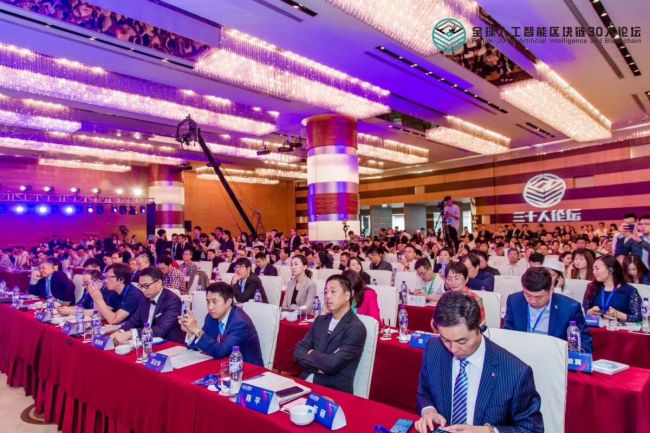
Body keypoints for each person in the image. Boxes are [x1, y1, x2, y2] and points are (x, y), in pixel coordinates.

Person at [415, 291, 543, 433]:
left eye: (462, 341)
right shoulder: (433, 348)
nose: (453, 349)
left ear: (480, 326)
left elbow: (531, 429)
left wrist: (489, 431)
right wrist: (429, 411)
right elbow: (424, 392)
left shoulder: (516, 372)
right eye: (445, 339)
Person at [294, 275, 367, 394]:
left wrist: (311, 353)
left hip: (333, 392)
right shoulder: (320, 321)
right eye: (326, 292)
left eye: (333, 292)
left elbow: (332, 364)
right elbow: (298, 352)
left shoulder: (356, 328)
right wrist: (320, 366)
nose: (327, 296)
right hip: (305, 383)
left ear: (347, 295)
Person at [504, 267, 592, 353]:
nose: (533, 301)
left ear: (551, 290)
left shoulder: (570, 308)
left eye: (539, 297)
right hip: (522, 353)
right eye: (528, 295)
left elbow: (584, 342)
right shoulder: (514, 301)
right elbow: (507, 333)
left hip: (555, 355)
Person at [180, 282, 263, 366]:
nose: (210, 307)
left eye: (214, 302)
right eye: (208, 302)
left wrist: (195, 329)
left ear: (228, 302)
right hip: (223, 364)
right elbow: (204, 344)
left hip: (246, 368)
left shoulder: (240, 323)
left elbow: (220, 352)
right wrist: (190, 330)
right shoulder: (211, 317)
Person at [112, 267, 184, 344]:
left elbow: (161, 329)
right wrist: (120, 331)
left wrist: (130, 334)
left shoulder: (172, 300)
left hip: (169, 343)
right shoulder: (144, 297)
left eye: (146, 286)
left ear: (159, 282)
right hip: (147, 341)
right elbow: (134, 320)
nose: (143, 290)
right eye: (141, 286)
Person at [583, 255, 642, 322]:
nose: (594, 272)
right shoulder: (592, 288)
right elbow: (583, 311)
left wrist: (618, 314)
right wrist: (590, 312)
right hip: (596, 327)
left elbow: (638, 318)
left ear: (610, 270)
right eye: (593, 269)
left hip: (620, 327)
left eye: (597, 269)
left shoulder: (629, 291)